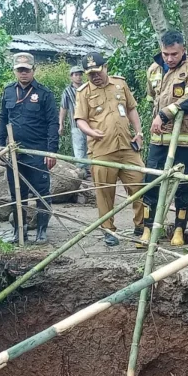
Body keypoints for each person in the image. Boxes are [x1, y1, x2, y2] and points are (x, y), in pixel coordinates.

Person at [74, 53, 147, 247]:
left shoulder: (120, 84)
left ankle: (141, 225)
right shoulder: (84, 92)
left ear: (105, 67)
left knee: (140, 184)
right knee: (105, 192)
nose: (95, 77)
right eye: (90, 75)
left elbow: (131, 108)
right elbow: (80, 119)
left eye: (97, 72)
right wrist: (90, 131)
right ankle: (108, 230)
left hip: (127, 145)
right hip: (102, 149)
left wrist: (139, 132)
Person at [142, 30, 188, 246]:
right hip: (159, 140)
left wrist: (164, 114)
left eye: (174, 54)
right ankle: (148, 229)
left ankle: (179, 230)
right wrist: (156, 116)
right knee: (151, 183)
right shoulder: (153, 70)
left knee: (184, 186)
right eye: (166, 53)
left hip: (186, 139)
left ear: (183, 50)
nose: (170, 58)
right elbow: (151, 98)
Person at [0, 52, 58, 245]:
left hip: (38, 152)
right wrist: (0, 146)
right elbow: (3, 119)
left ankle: (41, 230)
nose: (23, 73)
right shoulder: (8, 92)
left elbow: (53, 123)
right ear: (15, 71)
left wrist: (51, 150)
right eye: (20, 70)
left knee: (41, 191)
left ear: (33, 70)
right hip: (15, 152)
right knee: (17, 193)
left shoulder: (44, 94)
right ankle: (18, 231)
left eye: (27, 70)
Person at [59, 65, 91, 181]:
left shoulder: (88, 88)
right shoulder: (67, 91)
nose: (78, 77)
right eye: (76, 75)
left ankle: (88, 170)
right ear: (71, 77)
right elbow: (64, 108)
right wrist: (61, 123)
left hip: (89, 124)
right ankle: (81, 171)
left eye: (80, 74)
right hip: (76, 124)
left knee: (89, 147)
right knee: (79, 147)